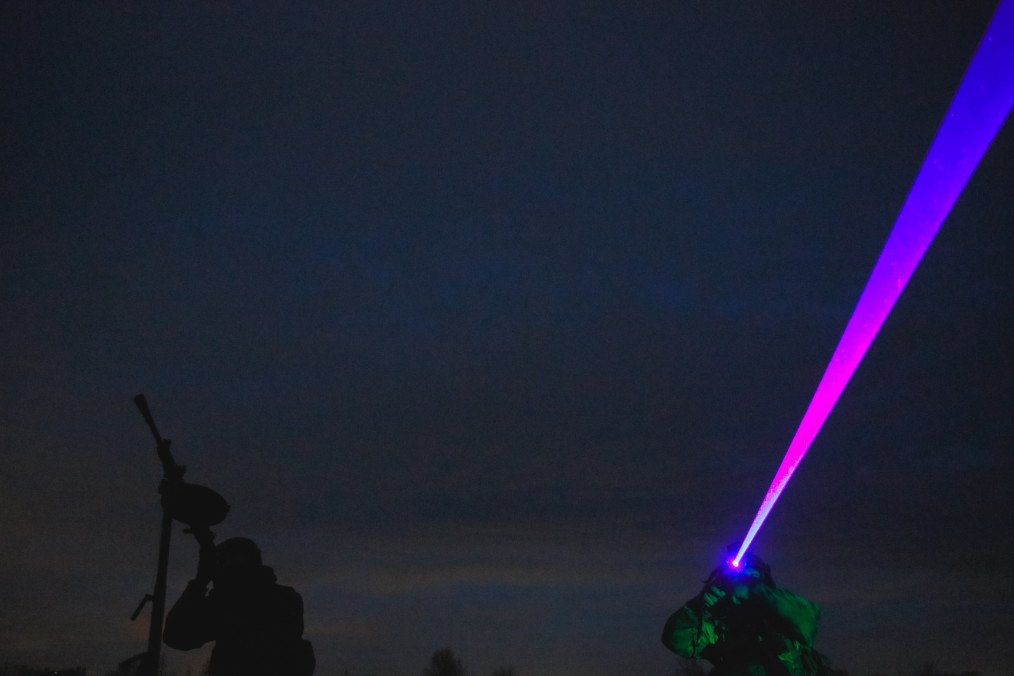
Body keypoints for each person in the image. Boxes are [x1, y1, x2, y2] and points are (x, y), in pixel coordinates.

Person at [661, 549, 832, 676]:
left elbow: (806, 617)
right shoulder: (719, 627)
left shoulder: (779, 610)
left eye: (748, 577)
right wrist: (699, 603)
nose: (738, 583)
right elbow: (675, 639)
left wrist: (752, 590)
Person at [163, 535, 315, 675]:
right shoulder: (287, 597)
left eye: (222, 562)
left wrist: (200, 581)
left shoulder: (227, 602)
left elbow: (176, 636)